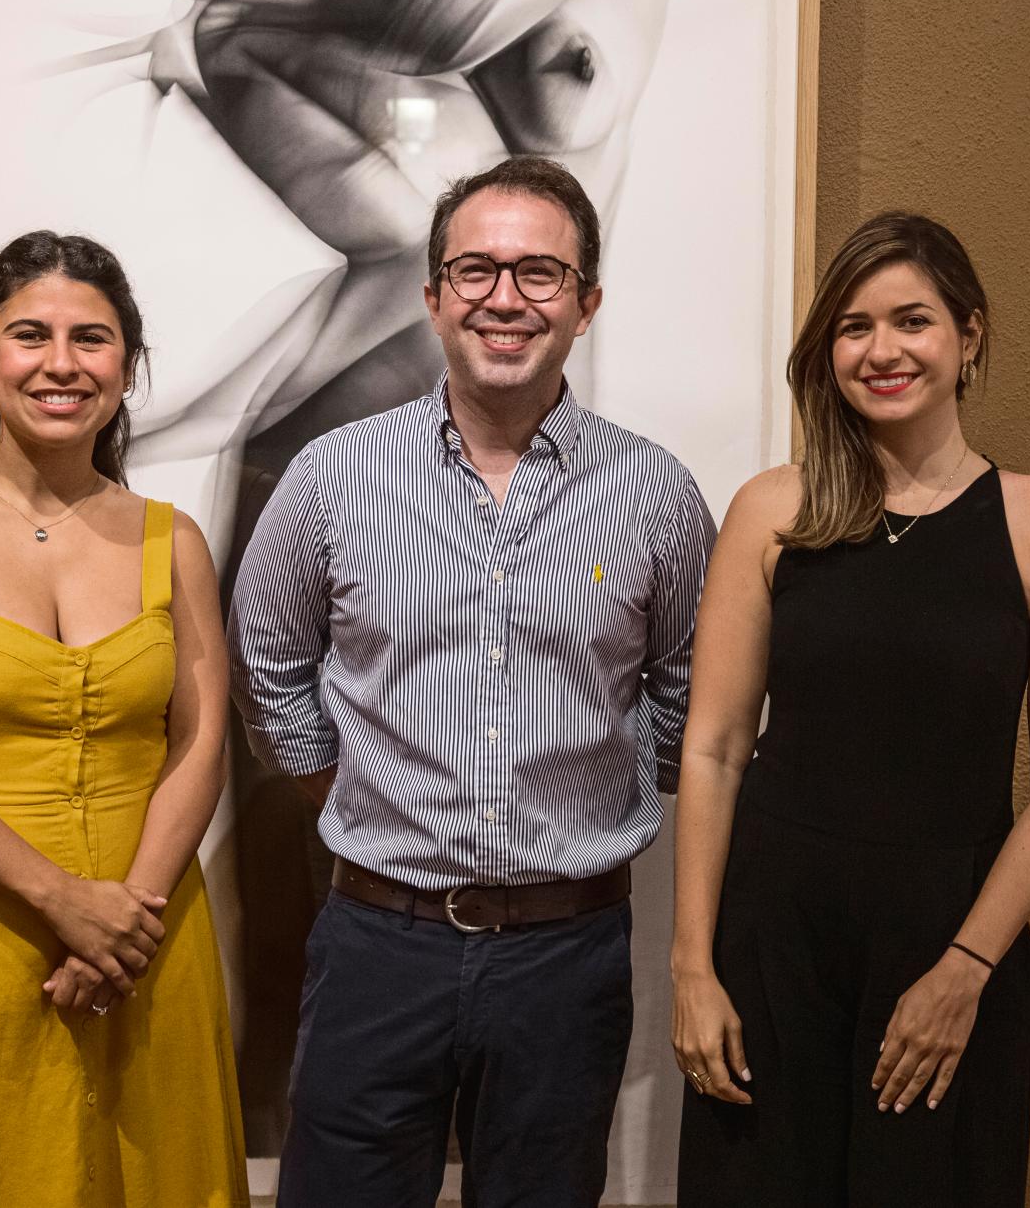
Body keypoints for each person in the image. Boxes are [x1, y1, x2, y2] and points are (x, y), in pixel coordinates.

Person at [229, 155, 716, 1207]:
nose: (505, 297)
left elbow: (690, 694)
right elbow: (267, 663)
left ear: (586, 303)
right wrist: (351, 790)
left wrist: (592, 787)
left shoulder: (655, 494)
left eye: (540, 272)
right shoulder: (333, 476)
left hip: (566, 952)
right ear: (433, 295)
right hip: (378, 939)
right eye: (476, 270)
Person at [671, 213, 1030, 1205]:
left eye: (910, 320)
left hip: (948, 935)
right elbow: (714, 746)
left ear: (968, 333)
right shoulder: (773, 509)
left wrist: (965, 967)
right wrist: (691, 966)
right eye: (852, 326)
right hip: (772, 940)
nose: (881, 350)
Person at [0, 231, 248, 1206]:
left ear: (126, 366)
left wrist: (126, 920)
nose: (61, 363)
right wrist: (62, 901)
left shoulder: (174, 540)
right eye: (30, 335)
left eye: (90, 339)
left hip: (148, 935)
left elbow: (197, 742)